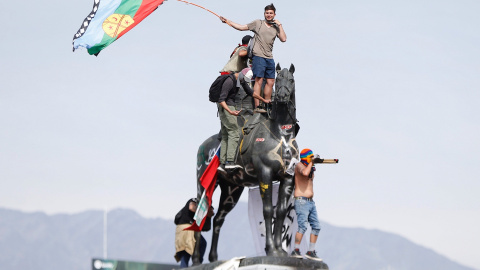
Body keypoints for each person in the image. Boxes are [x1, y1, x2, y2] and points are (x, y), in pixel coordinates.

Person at [219, 3, 287, 113]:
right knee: (258, 80)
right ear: (264, 14)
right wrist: (228, 22)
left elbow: (283, 39)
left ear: (274, 14)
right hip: (258, 56)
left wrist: (280, 25)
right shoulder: (258, 23)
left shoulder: (275, 27)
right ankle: (258, 106)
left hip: (269, 57)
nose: (268, 15)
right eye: (267, 13)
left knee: (270, 81)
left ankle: (267, 104)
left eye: (271, 13)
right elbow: (241, 27)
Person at [217, 68, 270, 172]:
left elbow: (251, 93)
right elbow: (221, 100)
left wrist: (264, 100)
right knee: (234, 132)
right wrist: (230, 111)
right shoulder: (229, 81)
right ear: (241, 74)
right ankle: (230, 162)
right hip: (227, 106)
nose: (244, 82)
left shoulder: (240, 80)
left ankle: (222, 163)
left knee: (225, 135)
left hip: (229, 107)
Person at [290, 149, 323, 261]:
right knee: (303, 226)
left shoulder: (309, 168)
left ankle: (311, 251)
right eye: (311, 157)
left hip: (310, 202)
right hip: (301, 201)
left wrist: (313, 165)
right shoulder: (299, 165)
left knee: (316, 226)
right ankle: (296, 250)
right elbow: (304, 173)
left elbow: (309, 175)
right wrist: (312, 163)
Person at [174, 198, 214, 268]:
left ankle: (196, 264)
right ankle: (196, 264)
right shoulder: (195, 200)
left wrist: (208, 217)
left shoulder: (202, 211)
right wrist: (203, 211)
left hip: (189, 229)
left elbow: (205, 228)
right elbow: (191, 207)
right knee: (186, 251)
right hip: (186, 228)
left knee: (201, 244)